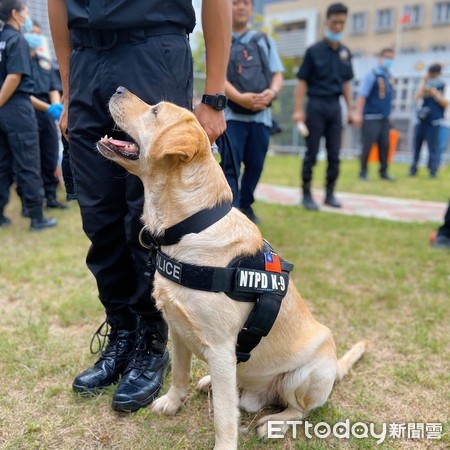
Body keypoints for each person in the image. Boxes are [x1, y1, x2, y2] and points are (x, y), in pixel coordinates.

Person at [48, 0, 230, 412]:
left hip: (153, 53)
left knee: (145, 220)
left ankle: (152, 341)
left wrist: (215, 95)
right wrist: (69, 83)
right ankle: (122, 333)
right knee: (99, 217)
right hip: (86, 59)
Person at [219, 0, 283, 224]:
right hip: (231, 118)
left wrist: (271, 93)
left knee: (256, 165)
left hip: (261, 118)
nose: (241, 7)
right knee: (230, 166)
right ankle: (231, 211)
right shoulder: (219, 37)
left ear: (252, 8)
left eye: (246, 3)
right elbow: (216, 78)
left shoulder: (264, 40)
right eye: (235, 2)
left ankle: (246, 204)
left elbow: (277, 74)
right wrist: (239, 99)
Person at [0, 0, 56, 231]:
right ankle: (36, 216)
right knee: (28, 162)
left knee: (3, 163)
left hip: (5, 110)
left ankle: (1, 214)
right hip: (16, 109)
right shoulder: (17, 40)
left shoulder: (1, 40)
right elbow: (14, 77)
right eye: (25, 11)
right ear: (15, 14)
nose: (28, 15)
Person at [293, 2, 354, 211]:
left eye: (342, 23)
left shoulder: (346, 53)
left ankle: (329, 193)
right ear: (327, 22)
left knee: (335, 154)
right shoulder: (314, 51)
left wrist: (351, 109)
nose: (338, 26)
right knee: (311, 152)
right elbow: (302, 82)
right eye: (335, 22)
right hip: (316, 105)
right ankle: (307, 193)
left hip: (335, 107)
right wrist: (298, 109)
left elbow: (346, 83)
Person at [24, 21, 67, 210]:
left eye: (38, 33)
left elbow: (53, 86)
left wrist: (56, 107)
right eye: (32, 32)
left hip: (48, 111)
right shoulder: (20, 60)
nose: (35, 36)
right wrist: (49, 107)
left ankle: (51, 197)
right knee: (30, 158)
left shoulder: (45, 61)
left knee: (50, 154)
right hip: (29, 110)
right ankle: (29, 202)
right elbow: (22, 92)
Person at [354, 48, 395, 181]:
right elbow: (362, 95)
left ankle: (383, 172)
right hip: (371, 117)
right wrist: (358, 114)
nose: (389, 60)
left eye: (391, 58)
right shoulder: (372, 75)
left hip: (384, 118)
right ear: (380, 58)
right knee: (367, 145)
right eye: (386, 57)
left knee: (385, 146)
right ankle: (363, 172)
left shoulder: (389, 77)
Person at [409, 64, 448, 178]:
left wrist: (435, 94)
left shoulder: (443, 86)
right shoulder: (425, 85)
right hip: (421, 121)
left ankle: (432, 170)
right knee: (417, 147)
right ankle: (413, 169)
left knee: (433, 148)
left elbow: (446, 104)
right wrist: (423, 82)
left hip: (434, 122)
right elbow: (416, 98)